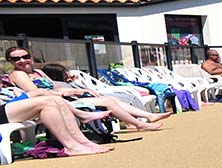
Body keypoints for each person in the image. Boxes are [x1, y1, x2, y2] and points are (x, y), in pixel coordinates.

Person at [6, 50, 168, 131]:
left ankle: (147, 117)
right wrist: (68, 93)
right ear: (11, 61)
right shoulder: (18, 75)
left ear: (30, 57)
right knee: (108, 101)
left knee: (109, 99)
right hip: (51, 103)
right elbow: (35, 92)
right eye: (16, 59)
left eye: (25, 56)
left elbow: (55, 87)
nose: (22, 60)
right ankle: (141, 123)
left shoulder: (38, 72)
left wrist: (80, 90)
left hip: (63, 98)